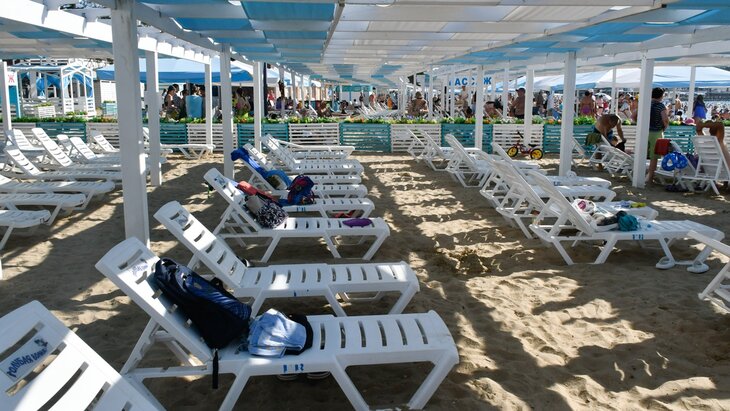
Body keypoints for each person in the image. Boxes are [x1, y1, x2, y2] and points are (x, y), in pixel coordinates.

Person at [646, 87, 669, 184]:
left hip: (645, 132)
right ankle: (650, 178)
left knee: (643, 153)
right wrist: (665, 127)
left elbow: (633, 116)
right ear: (661, 96)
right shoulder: (660, 106)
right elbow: (665, 119)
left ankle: (641, 175)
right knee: (654, 157)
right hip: (656, 132)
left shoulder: (646, 104)